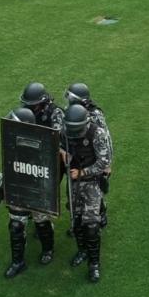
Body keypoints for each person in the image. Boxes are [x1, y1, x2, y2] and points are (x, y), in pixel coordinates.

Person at [0, 107, 59, 278]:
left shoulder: (44, 143)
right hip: (17, 189)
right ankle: (18, 262)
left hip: (37, 191)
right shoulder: (11, 140)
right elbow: (6, 163)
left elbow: (49, 172)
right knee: (16, 226)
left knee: (42, 223)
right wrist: (1, 184)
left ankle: (48, 250)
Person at [63, 104, 112, 283]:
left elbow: (104, 161)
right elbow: (59, 147)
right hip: (73, 183)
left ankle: (94, 265)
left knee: (91, 226)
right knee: (76, 222)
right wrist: (63, 154)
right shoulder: (64, 130)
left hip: (90, 182)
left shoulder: (96, 133)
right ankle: (82, 251)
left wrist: (82, 172)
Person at [64, 82, 112, 228]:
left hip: (94, 159)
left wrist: (108, 165)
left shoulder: (95, 115)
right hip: (78, 159)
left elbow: (106, 139)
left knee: (96, 189)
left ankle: (101, 214)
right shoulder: (71, 113)